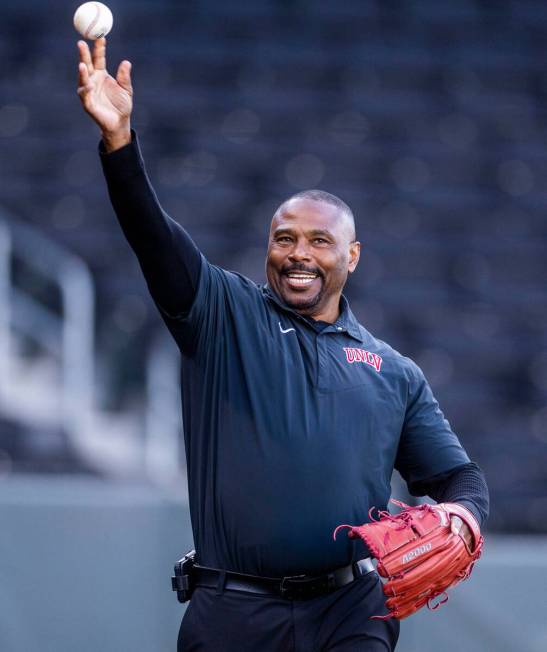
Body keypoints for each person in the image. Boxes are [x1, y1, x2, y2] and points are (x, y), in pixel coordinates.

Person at [76, 38, 489, 652]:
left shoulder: (393, 371)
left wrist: (463, 516)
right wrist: (119, 144)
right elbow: (152, 236)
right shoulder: (222, 314)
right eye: (284, 238)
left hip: (349, 611)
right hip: (231, 611)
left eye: (320, 241)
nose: (299, 254)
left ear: (351, 256)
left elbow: (459, 476)